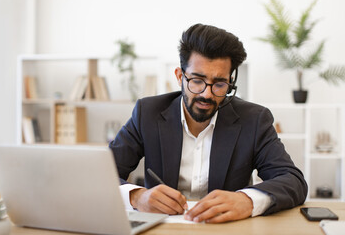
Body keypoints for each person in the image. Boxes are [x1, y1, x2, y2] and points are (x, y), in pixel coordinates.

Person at [109, 23, 307, 223]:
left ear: (230, 83)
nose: (206, 94)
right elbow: (101, 176)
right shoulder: (148, 113)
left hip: (227, 229)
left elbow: (293, 181)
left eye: (219, 84)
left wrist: (246, 200)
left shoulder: (254, 120)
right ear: (180, 76)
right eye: (197, 80)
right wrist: (137, 196)